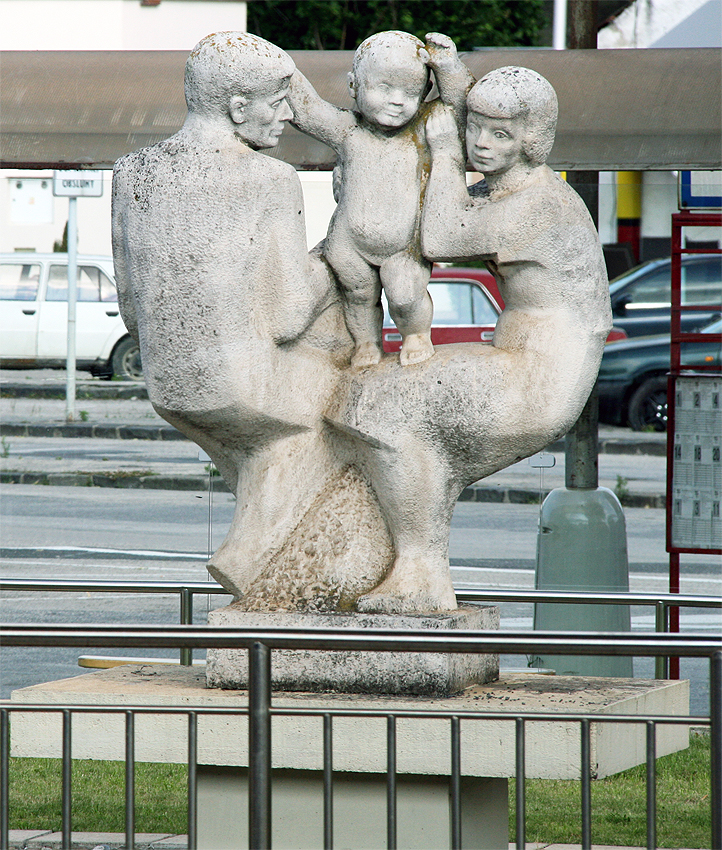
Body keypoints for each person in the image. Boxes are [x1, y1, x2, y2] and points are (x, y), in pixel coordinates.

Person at [112, 32, 353, 599]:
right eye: (278, 100)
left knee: (268, 448)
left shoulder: (132, 174)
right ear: (238, 107)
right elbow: (290, 314)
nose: (288, 115)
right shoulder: (267, 179)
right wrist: (331, 260)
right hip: (245, 383)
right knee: (351, 403)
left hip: (169, 383)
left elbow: (131, 308)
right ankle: (254, 552)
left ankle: (254, 540)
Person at [288, 31, 473, 368]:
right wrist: (279, 68)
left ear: (424, 93)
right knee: (358, 297)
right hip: (349, 242)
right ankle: (366, 343)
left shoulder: (423, 127)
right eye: (385, 88)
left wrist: (449, 68)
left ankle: (415, 335)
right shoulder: (348, 130)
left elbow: (460, 110)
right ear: (354, 86)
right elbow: (308, 111)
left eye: (411, 92)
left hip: (404, 245)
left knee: (404, 297)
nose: (397, 100)